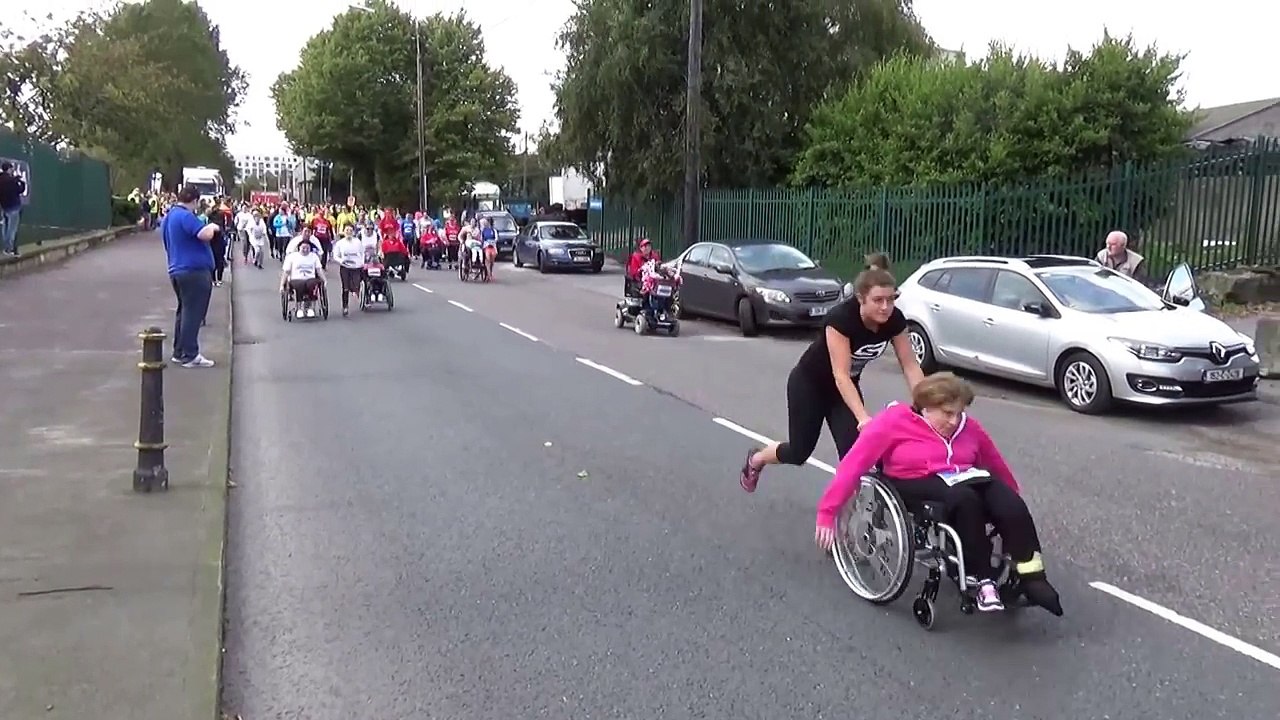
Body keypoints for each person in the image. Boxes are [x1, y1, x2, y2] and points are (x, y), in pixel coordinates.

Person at [813, 372, 1063, 616]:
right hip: (914, 480)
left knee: (1010, 504)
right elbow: (853, 464)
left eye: (959, 413)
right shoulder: (894, 422)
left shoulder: (969, 428)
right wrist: (827, 512)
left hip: (965, 477)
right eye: (947, 413)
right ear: (926, 408)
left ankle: (1032, 577)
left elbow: (995, 464)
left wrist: (1011, 494)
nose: (955, 421)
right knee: (965, 501)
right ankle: (981, 579)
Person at [740, 261, 925, 491]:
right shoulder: (841, 319)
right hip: (810, 385)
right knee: (799, 452)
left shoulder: (894, 320)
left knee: (856, 456)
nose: (885, 307)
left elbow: (910, 365)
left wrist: (927, 403)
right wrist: (863, 418)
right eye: (878, 300)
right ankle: (757, 459)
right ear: (860, 298)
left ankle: (849, 520)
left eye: (891, 299)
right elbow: (841, 375)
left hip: (843, 392)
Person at [162, 184, 220, 367]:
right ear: (194, 201)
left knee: (184, 311)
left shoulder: (170, 216)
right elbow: (204, 234)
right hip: (193, 271)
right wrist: (212, 226)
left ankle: (179, 351)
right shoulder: (186, 216)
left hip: (177, 269)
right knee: (193, 313)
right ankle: (190, 354)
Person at [280, 238, 325, 319]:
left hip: (310, 278)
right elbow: (286, 271)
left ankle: (310, 308)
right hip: (296, 279)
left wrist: (324, 280)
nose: (305, 250)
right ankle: (299, 308)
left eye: (307, 248)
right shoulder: (292, 257)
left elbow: (319, 269)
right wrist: (282, 285)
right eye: (303, 248)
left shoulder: (314, 257)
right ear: (299, 248)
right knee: (299, 285)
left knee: (312, 284)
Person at [332, 226, 365, 316]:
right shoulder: (340, 243)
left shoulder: (357, 242)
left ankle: (357, 293)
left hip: (356, 267)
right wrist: (340, 261)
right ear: (344, 232)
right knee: (345, 288)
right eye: (347, 230)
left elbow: (362, 253)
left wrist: (362, 263)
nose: (349, 232)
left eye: (351, 230)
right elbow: (335, 255)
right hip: (345, 267)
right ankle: (345, 306)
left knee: (356, 285)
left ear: (353, 232)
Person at [0, 161, 26, 256]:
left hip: (4, 206)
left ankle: (6, 247)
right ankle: (9, 248)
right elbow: (20, 190)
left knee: (5, 228)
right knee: (12, 229)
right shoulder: (12, 180)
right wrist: (21, 182)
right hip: (14, 206)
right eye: (12, 169)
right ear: (9, 169)